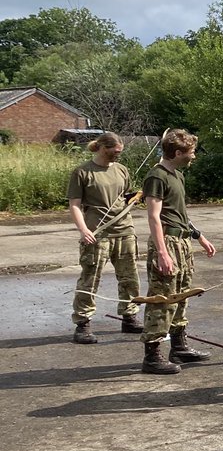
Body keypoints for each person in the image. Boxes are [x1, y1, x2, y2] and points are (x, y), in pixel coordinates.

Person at [138, 128, 216, 375]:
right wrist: (162, 253)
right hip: (167, 243)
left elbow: (180, 215)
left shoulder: (177, 176)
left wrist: (200, 237)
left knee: (181, 295)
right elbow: (154, 217)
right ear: (178, 152)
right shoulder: (157, 176)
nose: (193, 157)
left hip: (182, 243)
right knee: (162, 297)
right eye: (191, 152)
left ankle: (179, 346)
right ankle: (152, 355)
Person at [68, 132, 143, 343]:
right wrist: (84, 230)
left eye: (120, 152)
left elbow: (125, 197)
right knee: (90, 278)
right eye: (115, 152)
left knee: (129, 277)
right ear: (102, 148)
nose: (118, 155)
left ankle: (129, 317)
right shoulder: (83, 172)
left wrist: (135, 197)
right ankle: (82, 323)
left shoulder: (121, 170)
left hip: (125, 230)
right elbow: (74, 205)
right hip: (96, 234)